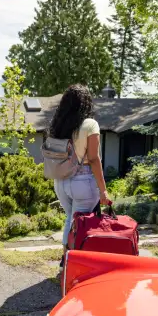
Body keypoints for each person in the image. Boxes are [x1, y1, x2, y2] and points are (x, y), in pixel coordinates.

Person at [47, 84, 111, 267]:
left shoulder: (58, 125)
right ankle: (71, 260)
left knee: (71, 218)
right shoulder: (90, 124)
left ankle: (67, 257)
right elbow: (93, 158)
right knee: (78, 222)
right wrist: (103, 190)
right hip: (82, 181)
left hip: (60, 180)